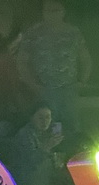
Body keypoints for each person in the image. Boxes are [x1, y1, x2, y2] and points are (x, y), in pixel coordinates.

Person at [16, 0, 91, 136]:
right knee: (46, 129)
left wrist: (82, 81)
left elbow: (85, 58)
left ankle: (73, 154)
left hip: (69, 90)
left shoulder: (73, 32)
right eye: (48, 11)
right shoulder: (33, 33)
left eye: (56, 10)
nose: (52, 14)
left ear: (63, 12)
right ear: (43, 13)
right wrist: (32, 84)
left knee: (72, 127)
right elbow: (22, 61)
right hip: (44, 90)